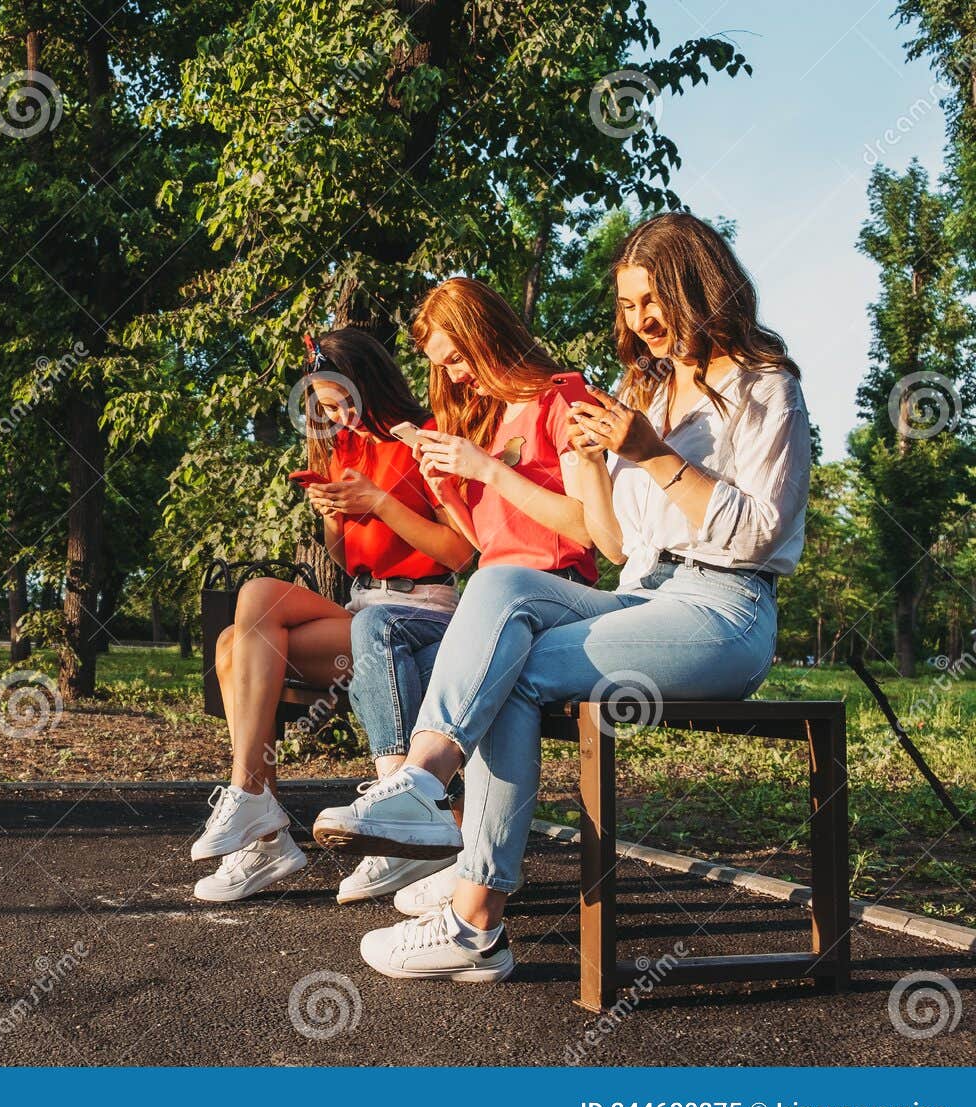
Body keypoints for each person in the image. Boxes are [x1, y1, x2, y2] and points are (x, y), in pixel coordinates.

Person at [319, 212, 810, 982]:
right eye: (627, 306)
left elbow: (756, 532)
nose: (640, 321)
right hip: (644, 593)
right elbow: (617, 547)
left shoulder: (764, 388)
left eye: (652, 300)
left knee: (513, 661)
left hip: (726, 608)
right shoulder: (643, 388)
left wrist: (646, 453)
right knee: (501, 588)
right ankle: (423, 792)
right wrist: (594, 465)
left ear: (698, 287)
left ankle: (474, 914)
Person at [330, 277, 599, 905]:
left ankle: (419, 811)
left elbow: (584, 530)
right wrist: (450, 489)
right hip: (493, 599)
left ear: (488, 336)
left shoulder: (564, 399)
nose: (451, 377)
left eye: (455, 358)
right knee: (386, 645)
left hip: (554, 595)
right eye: (440, 366)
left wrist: (486, 469)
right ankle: (435, 832)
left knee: (431, 641)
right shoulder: (492, 419)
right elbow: (484, 545)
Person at [192, 328, 473, 902]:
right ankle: (256, 813)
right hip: (362, 604)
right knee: (244, 615)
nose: (338, 416)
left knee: (235, 645)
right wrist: (331, 513)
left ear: (374, 384)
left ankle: (261, 824)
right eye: (325, 407)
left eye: (346, 402)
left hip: (422, 611)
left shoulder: (426, 437)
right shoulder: (342, 447)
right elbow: (347, 560)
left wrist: (380, 502)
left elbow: (460, 552)